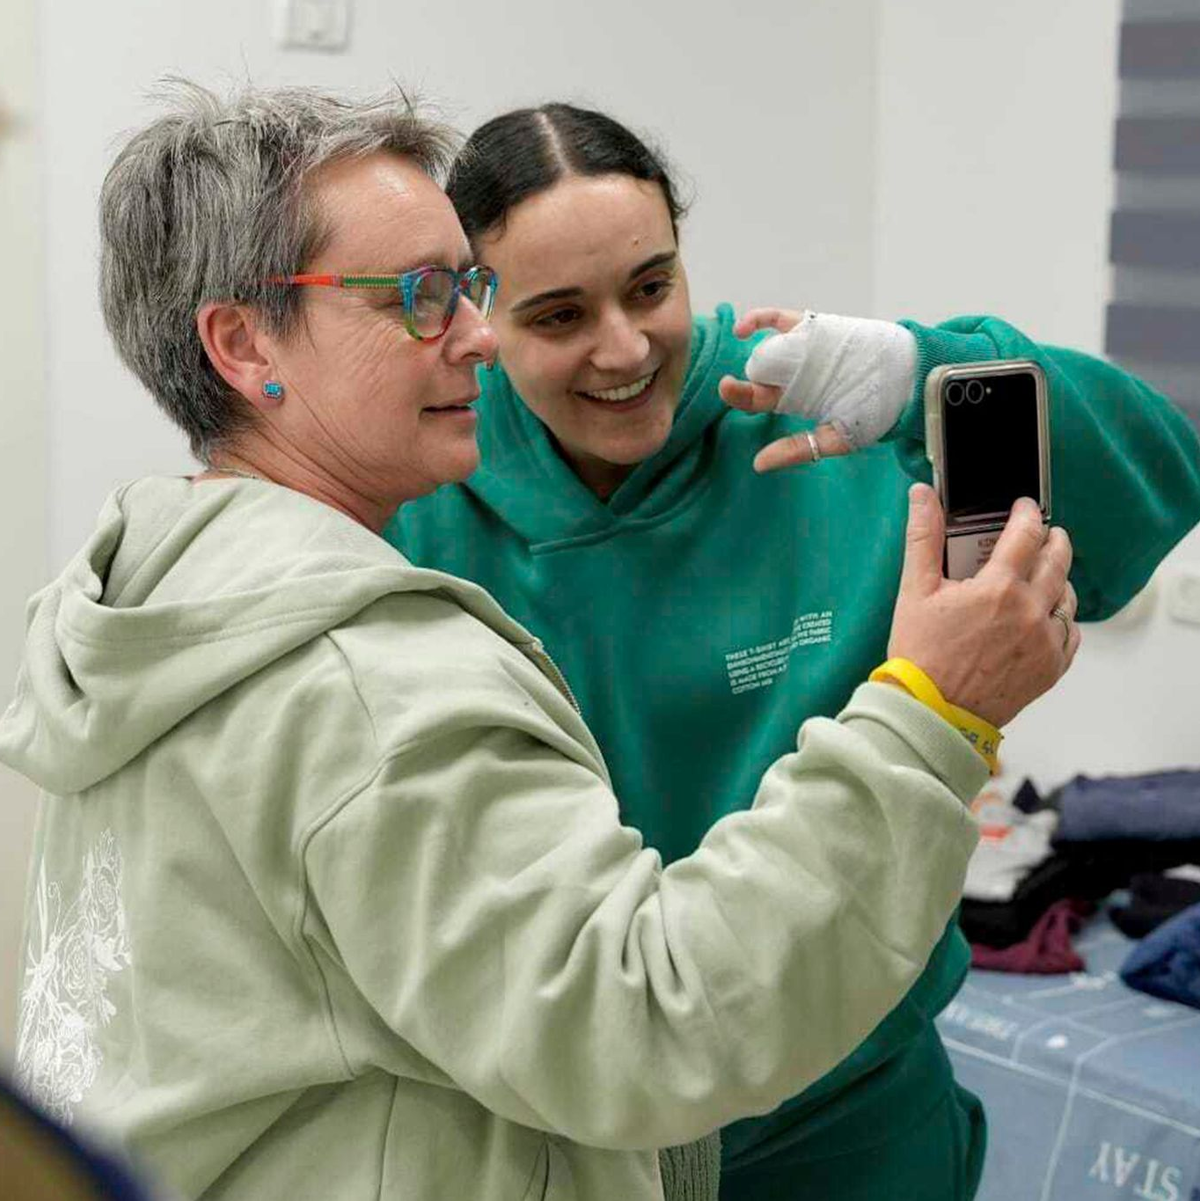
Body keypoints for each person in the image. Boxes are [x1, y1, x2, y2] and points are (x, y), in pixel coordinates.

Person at [1, 82, 1077, 1201]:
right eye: (421, 296)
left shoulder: (157, 602)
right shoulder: (365, 683)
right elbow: (655, 1022)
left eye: (468, 287)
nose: (478, 335)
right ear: (240, 343)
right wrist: (929, 713)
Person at [387, 102, 1200, 1200]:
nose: (623, 349)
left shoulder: (817, 418)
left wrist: (929, 366)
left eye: (650, 287)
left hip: (848, 1114)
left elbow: (1156, 480)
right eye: (559, 315)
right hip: (561, 1129)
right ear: (480, 314)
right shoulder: (420, 498)